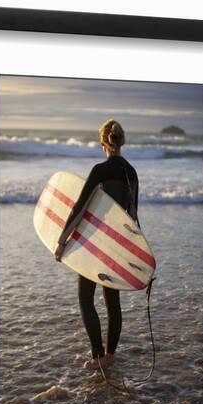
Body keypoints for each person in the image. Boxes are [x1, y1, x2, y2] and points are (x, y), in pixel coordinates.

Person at [54, 120, 140, 369]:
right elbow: (132, 217)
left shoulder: (100, 170)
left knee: (85, 299)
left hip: (94, 244)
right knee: (112, 301)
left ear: (103, 142)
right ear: (121, 142)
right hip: (117, 245)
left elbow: (79, 208)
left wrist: (61, 241)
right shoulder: (132, 173)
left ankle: (96, 355)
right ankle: (110, 356)